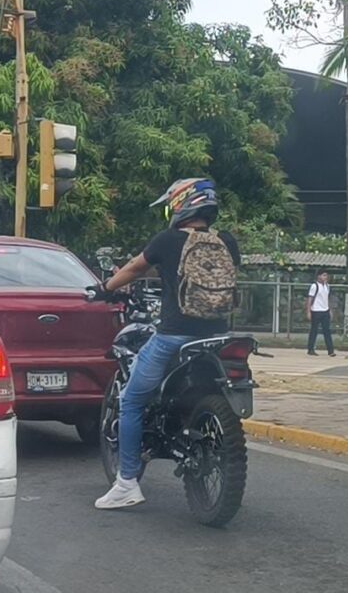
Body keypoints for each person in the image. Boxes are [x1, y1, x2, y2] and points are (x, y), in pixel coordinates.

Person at [88, 178, 241, 509]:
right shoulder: (227, 241)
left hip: (175, 335)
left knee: (131, 400)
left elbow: (134, 268)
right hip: (218, 336)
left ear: (182, 204)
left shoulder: (167, 240)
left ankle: (127, 482)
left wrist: (106, 287)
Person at [306, 269, 335, 357]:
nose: (325, 277)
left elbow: (327, 298)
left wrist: (330, 310)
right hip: (316, 310)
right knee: (314, 330)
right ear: (318, 276)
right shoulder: (314, 286)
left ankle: (330, 350)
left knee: (327, 331)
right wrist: (308, 311)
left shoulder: (327, 286)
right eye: (324, 275)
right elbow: (310, 299)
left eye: (326, 275)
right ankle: (310, 349)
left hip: (325, 310)